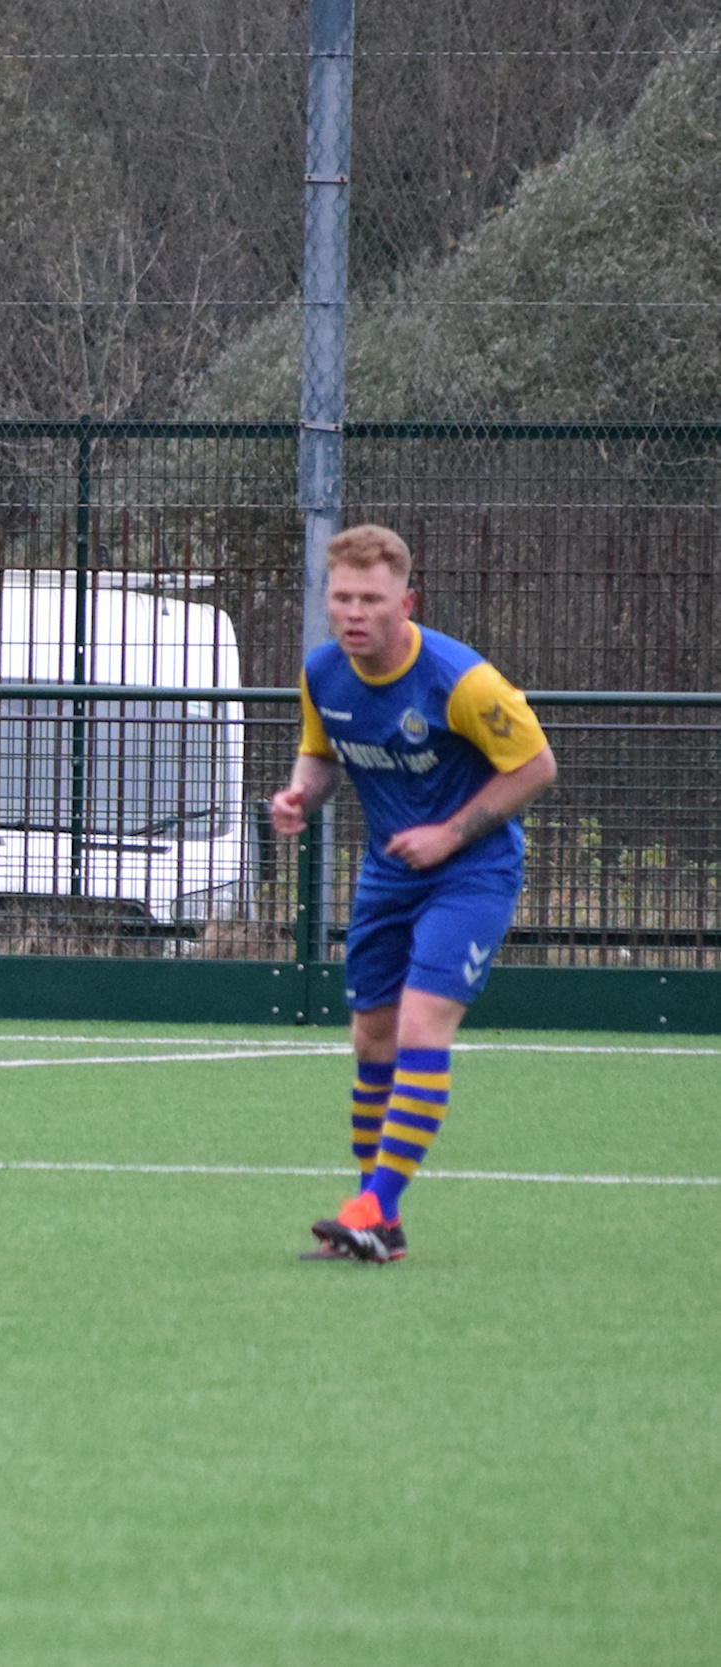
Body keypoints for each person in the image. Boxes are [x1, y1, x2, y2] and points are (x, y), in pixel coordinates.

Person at [270, 523, 556, 1261]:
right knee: (372, 1038)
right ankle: (376, 1219)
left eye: (371, 598)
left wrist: (450, 834)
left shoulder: (462, 681)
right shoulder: (322, 673)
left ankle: (375, 1205)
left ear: (408, 600)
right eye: (342, 597)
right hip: (387, 875)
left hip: (471, 873)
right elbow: (322, 753)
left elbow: (535, 767)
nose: (354, 612)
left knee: (423, 1026)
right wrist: (301, 796)